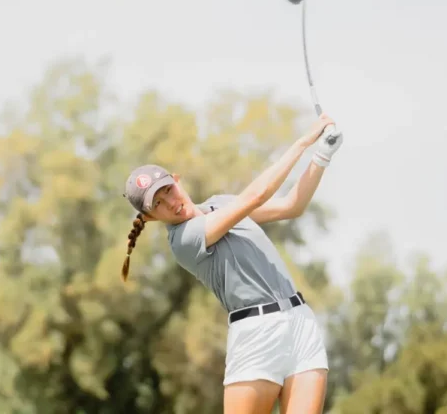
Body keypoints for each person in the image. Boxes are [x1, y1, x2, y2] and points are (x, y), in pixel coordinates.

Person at [120, 113, 343, 414]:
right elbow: (256, 195)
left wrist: (322, 154)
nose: (171, 203)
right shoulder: (183, 239)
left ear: (176, 180)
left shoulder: (221, 204)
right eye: (158, 203)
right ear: (149, 217)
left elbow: (291, 206)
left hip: (300, 322)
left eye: (168, 190)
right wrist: (303, 142)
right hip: (257, 334)